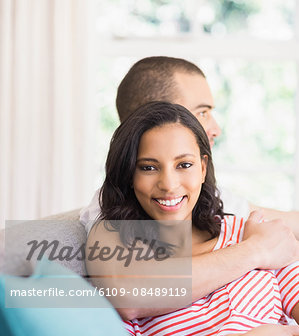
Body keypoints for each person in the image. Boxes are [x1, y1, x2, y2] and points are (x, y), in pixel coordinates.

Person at [86, 101, 299, 336]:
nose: (169, 184)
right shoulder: (121, 261)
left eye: (184, 165)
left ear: (203, 167)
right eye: (148, 167)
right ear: (128, 174)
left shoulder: (246, 231)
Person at [80, 56, 299, 239]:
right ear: (154, 117)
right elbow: (139, 284)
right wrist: (255, 251)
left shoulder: (203, 196)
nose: (215, 129)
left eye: (184, 165)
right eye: (202, 113)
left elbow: (283, 222)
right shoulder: (107, 217)